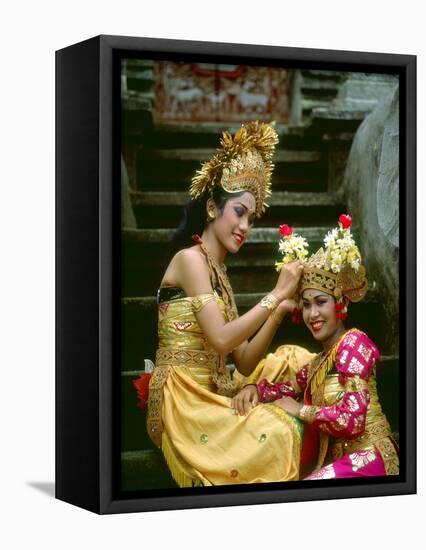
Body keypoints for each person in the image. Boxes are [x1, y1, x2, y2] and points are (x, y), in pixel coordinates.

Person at [142, 121, 315, 487]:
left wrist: (280, 310)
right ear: (211, 207)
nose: (245, 226)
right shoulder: (190, 260)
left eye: (251, 218)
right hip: (186, 398)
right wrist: (276, 294)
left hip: (218, 385)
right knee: (280, 432)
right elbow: (221, 339)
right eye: (239, 212)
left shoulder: (219, 272)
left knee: (294, 359)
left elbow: (244, 359)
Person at [232, 215, 399, 479]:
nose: (312, 314)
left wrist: (301, 410)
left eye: (321, 302)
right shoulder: (319, 363)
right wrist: (254, 388)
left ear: (341, 304)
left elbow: (352, 419)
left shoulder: (354, 344)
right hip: (341, 463)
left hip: (370, 457)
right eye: (306, 304)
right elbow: (286, 389)